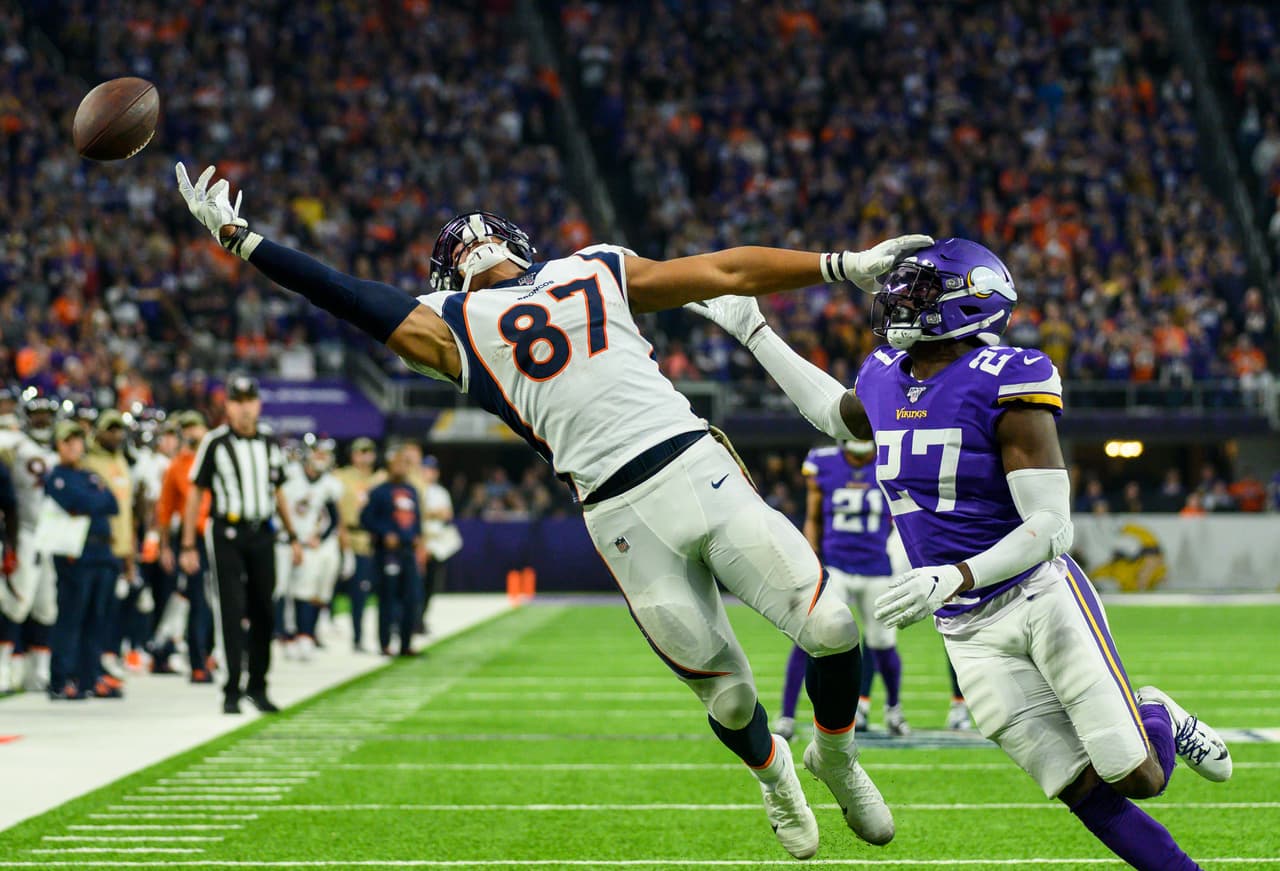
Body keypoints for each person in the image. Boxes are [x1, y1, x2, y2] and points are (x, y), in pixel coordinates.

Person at [175, 161, 932, 856]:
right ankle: (774, 779)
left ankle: (836, 755)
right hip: (620, 514)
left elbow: (725, 272)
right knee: (731, 699)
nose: (471, 244)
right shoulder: (452, 325)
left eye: (478, 237)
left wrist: (842, 266)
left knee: (832, 626)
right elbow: (348, 295)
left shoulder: (590, 266)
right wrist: (246, 241)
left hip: (696, 463)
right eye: (460, 244)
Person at [687, 237, 1232, 871]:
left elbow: (1054, 527)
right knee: (1079, 789)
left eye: (917, 292)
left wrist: (957, 573)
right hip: (963, 626)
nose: (897, 301)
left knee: (1136, 776)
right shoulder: (886, 373)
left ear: (969, 302)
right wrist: (754, 328)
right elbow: (837, 415)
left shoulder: (1008, 377)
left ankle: (1157, 711)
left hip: (1038, 595)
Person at [180, 374, 303, 714]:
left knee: (264, 609)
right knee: (231, 610)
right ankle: (232, 689)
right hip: (226, 533)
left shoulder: (268, 442)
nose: (245, 408)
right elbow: (196, 491)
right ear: (228, 406)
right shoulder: (215, 442)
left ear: (258, 405)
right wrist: (188, 543)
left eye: (250, 401)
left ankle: (258, 686)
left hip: (262, 532)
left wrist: (292, 536)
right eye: (238, 401)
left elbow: (277, 490)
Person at [774, 439, 910, 741]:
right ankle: (786, 715)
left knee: (883, 643)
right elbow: (813, 518)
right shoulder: (823, 462)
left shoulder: (889, 460)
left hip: (877, 567)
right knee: (809, 638)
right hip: (837, 566)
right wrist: (811, 560)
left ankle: (893, 710)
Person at [45, 421, 120, 700]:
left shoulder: (90, 475)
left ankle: (90, 677)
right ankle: (61, 678)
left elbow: (112, 503)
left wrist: (87, 502)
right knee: (71, 618)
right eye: (67, 442)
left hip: (102, 552)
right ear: (59, 446)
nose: (74, 446)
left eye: (77, 440)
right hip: (74, 553)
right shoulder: (57, 476)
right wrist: (91, 500)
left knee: (96, 619)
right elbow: (74, 502)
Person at [0, 391, 60, 693]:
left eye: (47, 414)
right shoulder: (13, 444)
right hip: (23, 529)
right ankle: (4, 665)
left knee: (47, 606)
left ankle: (39, 671)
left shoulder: (62, 449)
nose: (42, 420)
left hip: (54, 536)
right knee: (15, 601)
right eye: (37, 413)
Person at [155, 411, 215, 683]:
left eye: (196, 428)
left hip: (221, 536)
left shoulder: (217, 459)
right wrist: (167, 547)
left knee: (219, 601)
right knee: (198, 602)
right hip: (193, 540)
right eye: (187, 429)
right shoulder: (177, 466)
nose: (192, 434)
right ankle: (197, 661)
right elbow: (165, 510)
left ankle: (211, 653)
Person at [82, 410, 140, 689]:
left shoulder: (122, 461)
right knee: (91, 613)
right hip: (96, 546)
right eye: (110, 430)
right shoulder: (88, 462)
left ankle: (102, 664)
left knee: (109, 612)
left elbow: (127, 512)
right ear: (98, 432)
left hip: (120, 546)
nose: (116, 435)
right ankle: (89, 670)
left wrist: (130, 552)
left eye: (119, 430)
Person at [279, 435, 345, 660]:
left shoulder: (330, 485)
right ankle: (284, 635)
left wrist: (321, 537)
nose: (320, 458)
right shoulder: (290, 476)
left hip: (308, 544)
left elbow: (333, 517)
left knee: (305, 591)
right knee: (280, 590)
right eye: (317, 452)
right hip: (283, 540)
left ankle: (304, 635)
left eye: (324, 454)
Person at [361, 445, 424, 658]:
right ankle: (385, 643)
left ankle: (406, 643)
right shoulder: (379, 491)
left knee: (412, 598)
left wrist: (418, 536)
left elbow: (416, 518)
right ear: (388, 465)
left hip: (407, 551)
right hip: (387, 553)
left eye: (405, 463)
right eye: (397, 462)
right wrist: (384, 533)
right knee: (387, 598)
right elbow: (366, 519)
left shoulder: (412, 490)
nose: (401, 467)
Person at [333, 437, 379, 651]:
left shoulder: (380, 479)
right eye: (360, 452)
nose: (365, 456)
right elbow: (336, 510)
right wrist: (341, 538)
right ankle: (312, 631)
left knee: (365, 591)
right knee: (331, 587)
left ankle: (361, 636)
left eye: (368, 451)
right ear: (352, 454)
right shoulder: (341, 477)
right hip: (348, 537)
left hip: (372, 540)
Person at [418, 454, 460, 633]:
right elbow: (419, 515)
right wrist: (434, 513)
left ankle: (420, 620)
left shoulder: (440, 492)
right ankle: (411, 620)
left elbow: (447, 515)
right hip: (419, 542)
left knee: (429, 586)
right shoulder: (417, 489)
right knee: (415, 586)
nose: (431, 473)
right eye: (428, 469)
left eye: (434, 469)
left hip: (435, 543)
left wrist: (430, 513)